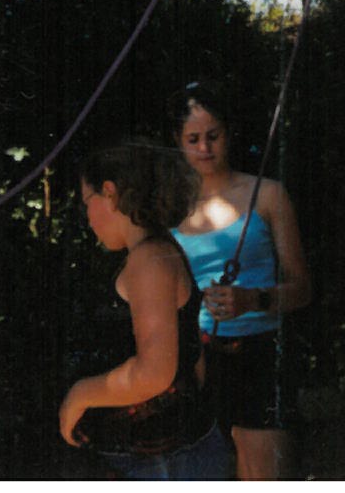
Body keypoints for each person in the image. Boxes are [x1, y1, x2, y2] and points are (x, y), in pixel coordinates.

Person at [60, 139, 232, 480]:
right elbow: (193, 359)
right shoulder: (161, 251)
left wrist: (79, 396)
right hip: (173, 451)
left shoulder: (149, 260)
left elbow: (153, 373)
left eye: (86, 202)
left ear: (109, 193)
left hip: (160, 461)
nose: (88, 218)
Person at [173, 83, 312, 481]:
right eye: (193, 139)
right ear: (178, 144)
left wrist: (253, 299)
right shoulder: (171, 210)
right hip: (199, 363)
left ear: (228, 134)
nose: (204, 149)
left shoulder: (267, 195)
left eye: (213, 136)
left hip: (262, 355)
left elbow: (303, 287)